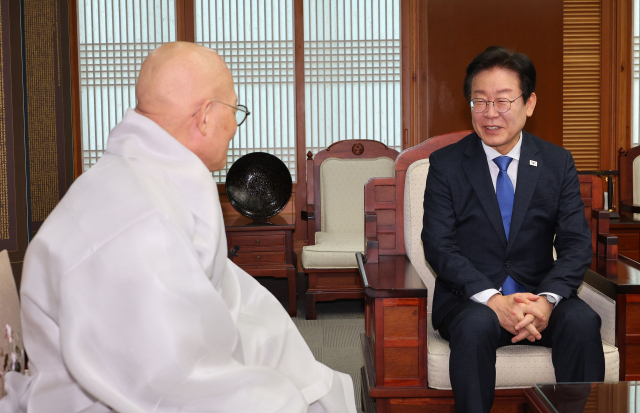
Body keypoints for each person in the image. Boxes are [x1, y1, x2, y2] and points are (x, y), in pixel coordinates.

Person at [0, 42, 357, 413]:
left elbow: (227, 298)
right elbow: (168, 381)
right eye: (235, 110)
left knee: (310, 378)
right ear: (204, 117)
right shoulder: (138, 219)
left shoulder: (147, 176)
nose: (234, 126)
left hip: (154, 370)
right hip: (107, 398)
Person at [421, 46, 605, 413]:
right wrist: (492, 299)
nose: (490, 114)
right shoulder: (447, 164)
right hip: (472, 301)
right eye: (479, 102)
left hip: (538, 297)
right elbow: (439, 245)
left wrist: (547, 300)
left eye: (502, 102)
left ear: (529, 103)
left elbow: (575, 244)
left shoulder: (557, 162)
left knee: (583, 321)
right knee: (474, 329)